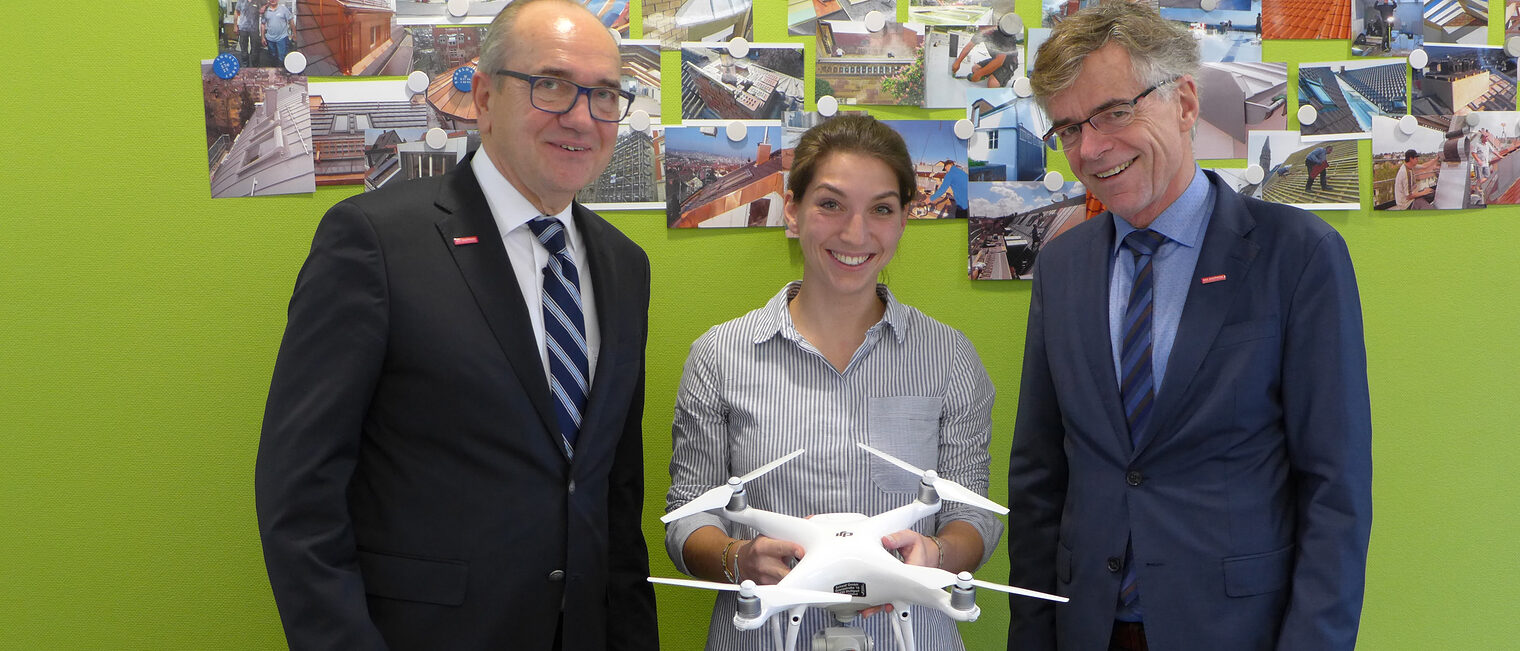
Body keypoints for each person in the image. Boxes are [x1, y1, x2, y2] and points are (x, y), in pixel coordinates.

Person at [255, 1, 657, 649]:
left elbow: (614, 494)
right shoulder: (375, 243)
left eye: (605, 95)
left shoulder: (623, 266)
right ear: (487, 96)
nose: (582, 117)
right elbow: (298, 497)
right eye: (552, 85)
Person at [1010, 3, 1372, 650]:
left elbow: (1335, 491)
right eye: (1068, 129)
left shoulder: (1298, 255)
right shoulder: (1063, 263)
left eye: (1115, 113)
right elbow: (1039, 477)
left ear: (1183, 103)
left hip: (1235, 629)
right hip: (1089, 626)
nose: (1091, 149)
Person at [665, 114, 1002, 650]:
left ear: (903, 220)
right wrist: (740, 559)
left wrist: (935, 556)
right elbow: (689, 514)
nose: (855, 233)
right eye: (830, 204)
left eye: (882, 210)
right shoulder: (720, 356)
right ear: (793, 210)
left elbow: (972, 513)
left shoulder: (950, 358)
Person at [951, 25, 1021, 88]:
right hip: (995, 59)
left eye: (985, 27)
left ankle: (1001, 77)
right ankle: (991, 73)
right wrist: (958, 61)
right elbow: (970, 45)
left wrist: (979, 74)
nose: (983, 29)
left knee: (992, 84)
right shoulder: (982, 31)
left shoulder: (1004, 34)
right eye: (981, 27)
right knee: (975, 69)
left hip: (1008, 63)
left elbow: (999, 61)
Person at [260, 0, 296, 67]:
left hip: (282, 38)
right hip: (270, 38)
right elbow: (263, 24)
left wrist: (294, 34)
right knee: (272, 57)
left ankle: (282, 74)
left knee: (282, 58)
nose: (273, 0)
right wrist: (262, 37)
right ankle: (274, 74)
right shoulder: (265, 11)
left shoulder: (283, 9)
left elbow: (291, 21)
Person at [234, 0, 259, 66]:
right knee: (244, 49)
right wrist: (235, 26)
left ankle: (255, 67)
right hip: (243, 28)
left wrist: (264, 7)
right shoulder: (241, 1)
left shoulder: (258, 1)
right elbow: (236, 12)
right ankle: (245, 66)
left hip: (254, 29)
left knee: (255, 50)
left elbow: (267, 4)